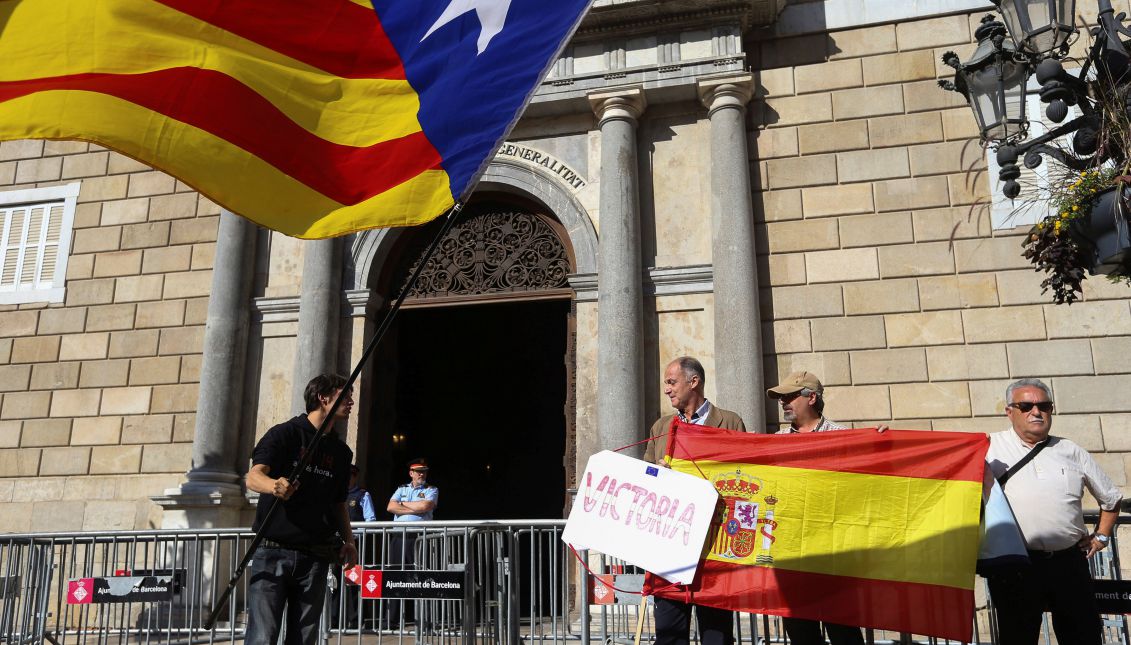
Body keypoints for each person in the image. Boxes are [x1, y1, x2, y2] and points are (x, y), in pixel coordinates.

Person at [985, 378, 1121, 645]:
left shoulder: (1071, 450)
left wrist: (1101, 537)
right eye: (1026, 406)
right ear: (1009, 412)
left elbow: (1111, 498)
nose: (1036, 412)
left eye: (1044, 406)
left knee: (1083, 636)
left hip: (1069, 564)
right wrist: (883, 439)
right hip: (1015, 566)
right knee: (1018, 638)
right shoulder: (988, 447)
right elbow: (938, 458)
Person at [244, 374, 358, 645]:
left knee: (304, 638)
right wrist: (274, 486)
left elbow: (338, 503)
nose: (351, 401)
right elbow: (253, 477)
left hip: (315, 557)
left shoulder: (341, 453)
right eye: (346, 394)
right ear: (324, 397)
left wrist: (349, 541)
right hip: (273, 551)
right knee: (263, 637)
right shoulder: (285, 433)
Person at [644, 356, 745, 645]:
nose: (667, 389)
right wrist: (656, 473)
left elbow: (745, 475)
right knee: (668, 634)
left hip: (714, 546)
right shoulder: (660, 427)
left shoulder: (730, 421)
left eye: (671, 382)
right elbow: (645, 475)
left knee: (716, 634)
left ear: (694, 382)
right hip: (669, 548)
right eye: (666, 383)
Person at [766, 371, 865, 645]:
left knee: (843, 631)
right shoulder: (777, 441)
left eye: (789, 396)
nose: (783, 402)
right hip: (791, 552)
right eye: (781, 397)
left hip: (833, 552)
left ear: (811, 398)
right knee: (800, 633)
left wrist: (881, 440)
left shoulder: (844, 438)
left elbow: (865, 486)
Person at [385, 458, 438, 624]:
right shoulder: (401, 488)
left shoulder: (432, 489)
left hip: (419, 537)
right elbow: (390, 507)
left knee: (422, 577)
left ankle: (424, 619)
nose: (422, 474)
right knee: (395, 577)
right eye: (418, 471)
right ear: (411, 473)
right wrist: (413, 505)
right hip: (399, 536)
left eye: (424, 471)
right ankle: (392, 619)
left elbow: (425, 507)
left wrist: (402, 503)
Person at [333, 465, 376, 629]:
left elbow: (370, 520)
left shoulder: (362, 495)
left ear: (354, 477)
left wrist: (353, 533)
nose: (348, 479)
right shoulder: (336, 493)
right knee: (334, 582)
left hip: (355, 543)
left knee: (353, 582)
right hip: (336, 543)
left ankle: (354, 620)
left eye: (351, 476)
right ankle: (334, 619)